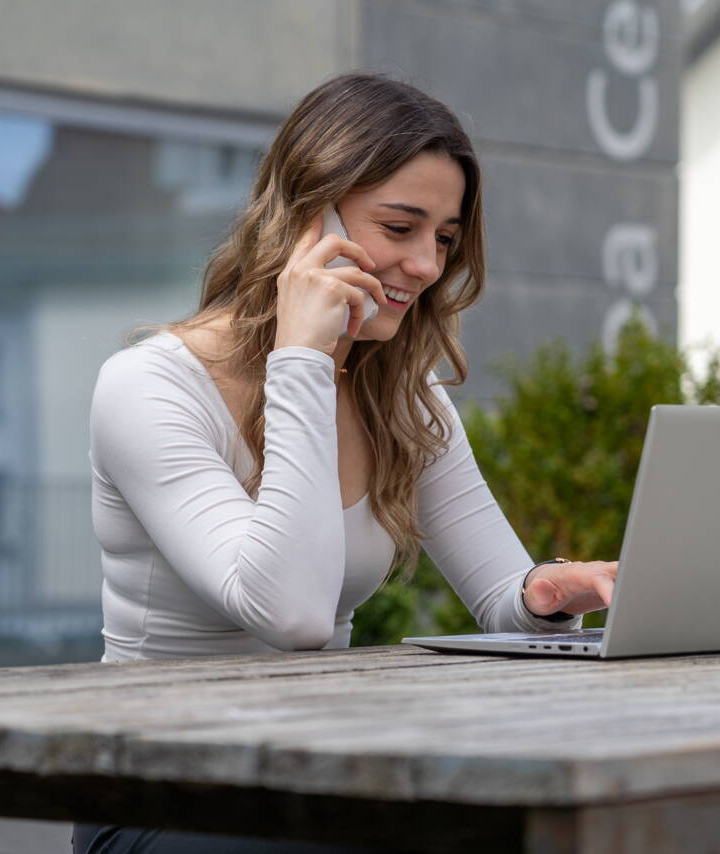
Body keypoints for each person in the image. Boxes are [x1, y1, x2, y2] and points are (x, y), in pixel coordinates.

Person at [73, 71, 618, 854]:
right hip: (164, 798)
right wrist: (300, 357)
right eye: (400, 228)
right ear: (307, 218)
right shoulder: (150, 387)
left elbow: (502, 601)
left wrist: (545, 592)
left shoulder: (402, 394)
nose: (428, 265)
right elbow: (291, 613)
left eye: (445, 238)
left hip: (314, 782)